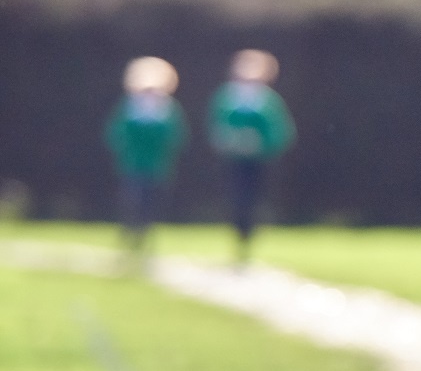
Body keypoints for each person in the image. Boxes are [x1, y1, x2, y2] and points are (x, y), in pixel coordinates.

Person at [207, 49, 296, 260]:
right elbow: (217, 126)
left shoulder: (267, 100)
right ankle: (237, 235)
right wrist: (231, 141)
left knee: (253, 201)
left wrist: (259, 144)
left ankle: (248, 238)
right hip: (233, 160)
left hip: (258, 161)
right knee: (236, 199)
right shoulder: (228, 97)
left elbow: (280, 131)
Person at [105, 57, 187, 252]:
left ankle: (145, 236)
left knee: (152, 201)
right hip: (133, 163)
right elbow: (116, 132)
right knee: (132, 200)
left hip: (158, 164)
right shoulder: (130, 107)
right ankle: (129, 235)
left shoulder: (167, 109)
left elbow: (177, 135)